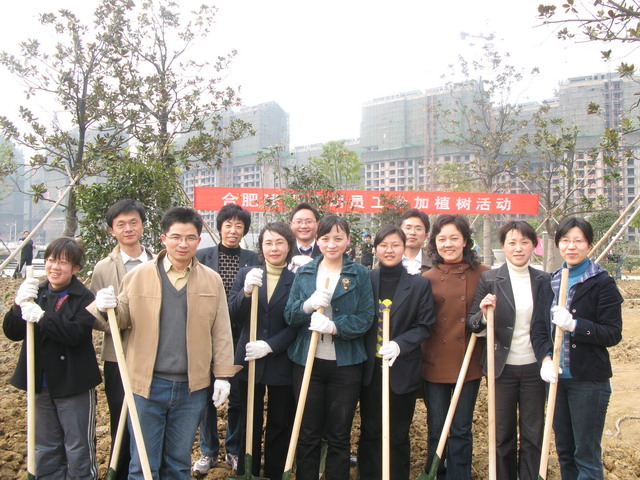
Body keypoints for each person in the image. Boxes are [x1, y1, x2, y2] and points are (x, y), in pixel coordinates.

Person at [90, 207, 239, 480]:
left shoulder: (211, 279)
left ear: (199, 241)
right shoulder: (138, 276)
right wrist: (105, 307)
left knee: (178, 464)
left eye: (190, 238)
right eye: (176, 237)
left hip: (191, 388)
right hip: (146, 386)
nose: (183, 244)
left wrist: (223, 375)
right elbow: (120, 318)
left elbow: (221, 330)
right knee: (143, 465)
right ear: (163, 238)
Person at [531, 217, 623, 480]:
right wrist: (545, 359)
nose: (571, 246)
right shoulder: (551, 281)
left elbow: (612, 333)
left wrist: (575, 325)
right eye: (565, 240)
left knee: (586, 453)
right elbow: (539, 329)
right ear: (558, 243)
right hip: (557, 381)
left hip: (588, 382)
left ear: (589, 245)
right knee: (565, 451)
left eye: (578, 241)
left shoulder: (601, 282)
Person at [284, 214, 374, 480]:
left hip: (345, 365)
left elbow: (366, 318)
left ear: (348, 240)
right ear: (317, 240)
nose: (331, 244)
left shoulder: (359, 274)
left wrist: (335, 326)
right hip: (307, 362)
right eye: (325, 238)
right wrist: (307, 305)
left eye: (338, 238)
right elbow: (290, 315)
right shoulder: (305, 272)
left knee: (338, 434)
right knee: (308, 431)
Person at [4, 237, 101, 479]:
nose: (54, 267)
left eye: (63, 263)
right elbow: (12, 333)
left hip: (73, 383)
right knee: (45, 448)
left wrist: (43, 318)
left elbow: (75, 334)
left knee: (78, 448)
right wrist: (18, 305)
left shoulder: (84, 298)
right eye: (50, 261)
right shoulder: (35, 293)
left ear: (76, 268)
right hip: (41, 383)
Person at [467, 220, 549, 480]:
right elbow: (472, 323)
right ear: (503, 246)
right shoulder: (490, 279)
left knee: (533, 433)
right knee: (502, 434)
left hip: (535, 368)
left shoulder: (544, 280)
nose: (518, 248)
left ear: (534, 246)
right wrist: (482, 313)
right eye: (512, 242)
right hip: (500, 368)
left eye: (525, 242)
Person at [358, 225, 435, 480]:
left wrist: (400, 344)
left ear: (404, 248)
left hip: (402, 370)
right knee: (370, 430)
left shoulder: (418, 285)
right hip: (370, 370)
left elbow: (424, 326)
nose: (389, 250)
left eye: (395, 245)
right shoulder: (366, 280)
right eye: (383, 245)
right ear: (376, 248)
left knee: (398, 432)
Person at [421, 214, 489, 479]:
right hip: (435, 362)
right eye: (442, 239)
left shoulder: (485, 274)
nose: (448, 244)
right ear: (434, 243)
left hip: (468, 362)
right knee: (437, 427)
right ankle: (436, 473)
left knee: (461, 427)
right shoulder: (426, 278)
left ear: (465, 241)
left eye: (454, 238)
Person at [90, 199, 154, 480]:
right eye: (121, 225)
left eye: (133, 222)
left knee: (150, 416)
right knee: (121, 416)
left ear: (142, 225)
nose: (128, 229)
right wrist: (110, 314)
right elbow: (93, 317)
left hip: (155, 354)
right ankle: (121, 470)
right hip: (119, 355)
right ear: (112, 231)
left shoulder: (158, 261)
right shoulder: (104, 268)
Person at [228, 222, 297, 479]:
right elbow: (232, 313)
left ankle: (274, 472)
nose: (274, 248)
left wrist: (270, 346)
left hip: (281, 361)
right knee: (249, 421)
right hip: (249, 362)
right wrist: (245, 291)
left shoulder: (296, 279)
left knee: (280, 421)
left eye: (279, 242)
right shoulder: (248, 273)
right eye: (268, 243)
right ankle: (249, 471)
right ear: (261, 247)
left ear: (288, 246)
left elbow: (297, 324)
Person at [194, 203, 259, 473]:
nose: (233, 230)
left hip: (240, 334)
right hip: (206, 334)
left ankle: (233, 449)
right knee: (205, 394)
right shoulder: (201, 256)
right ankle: (208, 450)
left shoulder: (254, 260)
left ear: (245, 230)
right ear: (219, 227)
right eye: (228, 225)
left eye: (239, 226)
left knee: (238, 396)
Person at [398, 209, 431, 274]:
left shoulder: (434, 263)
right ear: (399, 232)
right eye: (408, 228)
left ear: (426, 235)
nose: (412, 233)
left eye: (418, 229)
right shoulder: (388, 260)